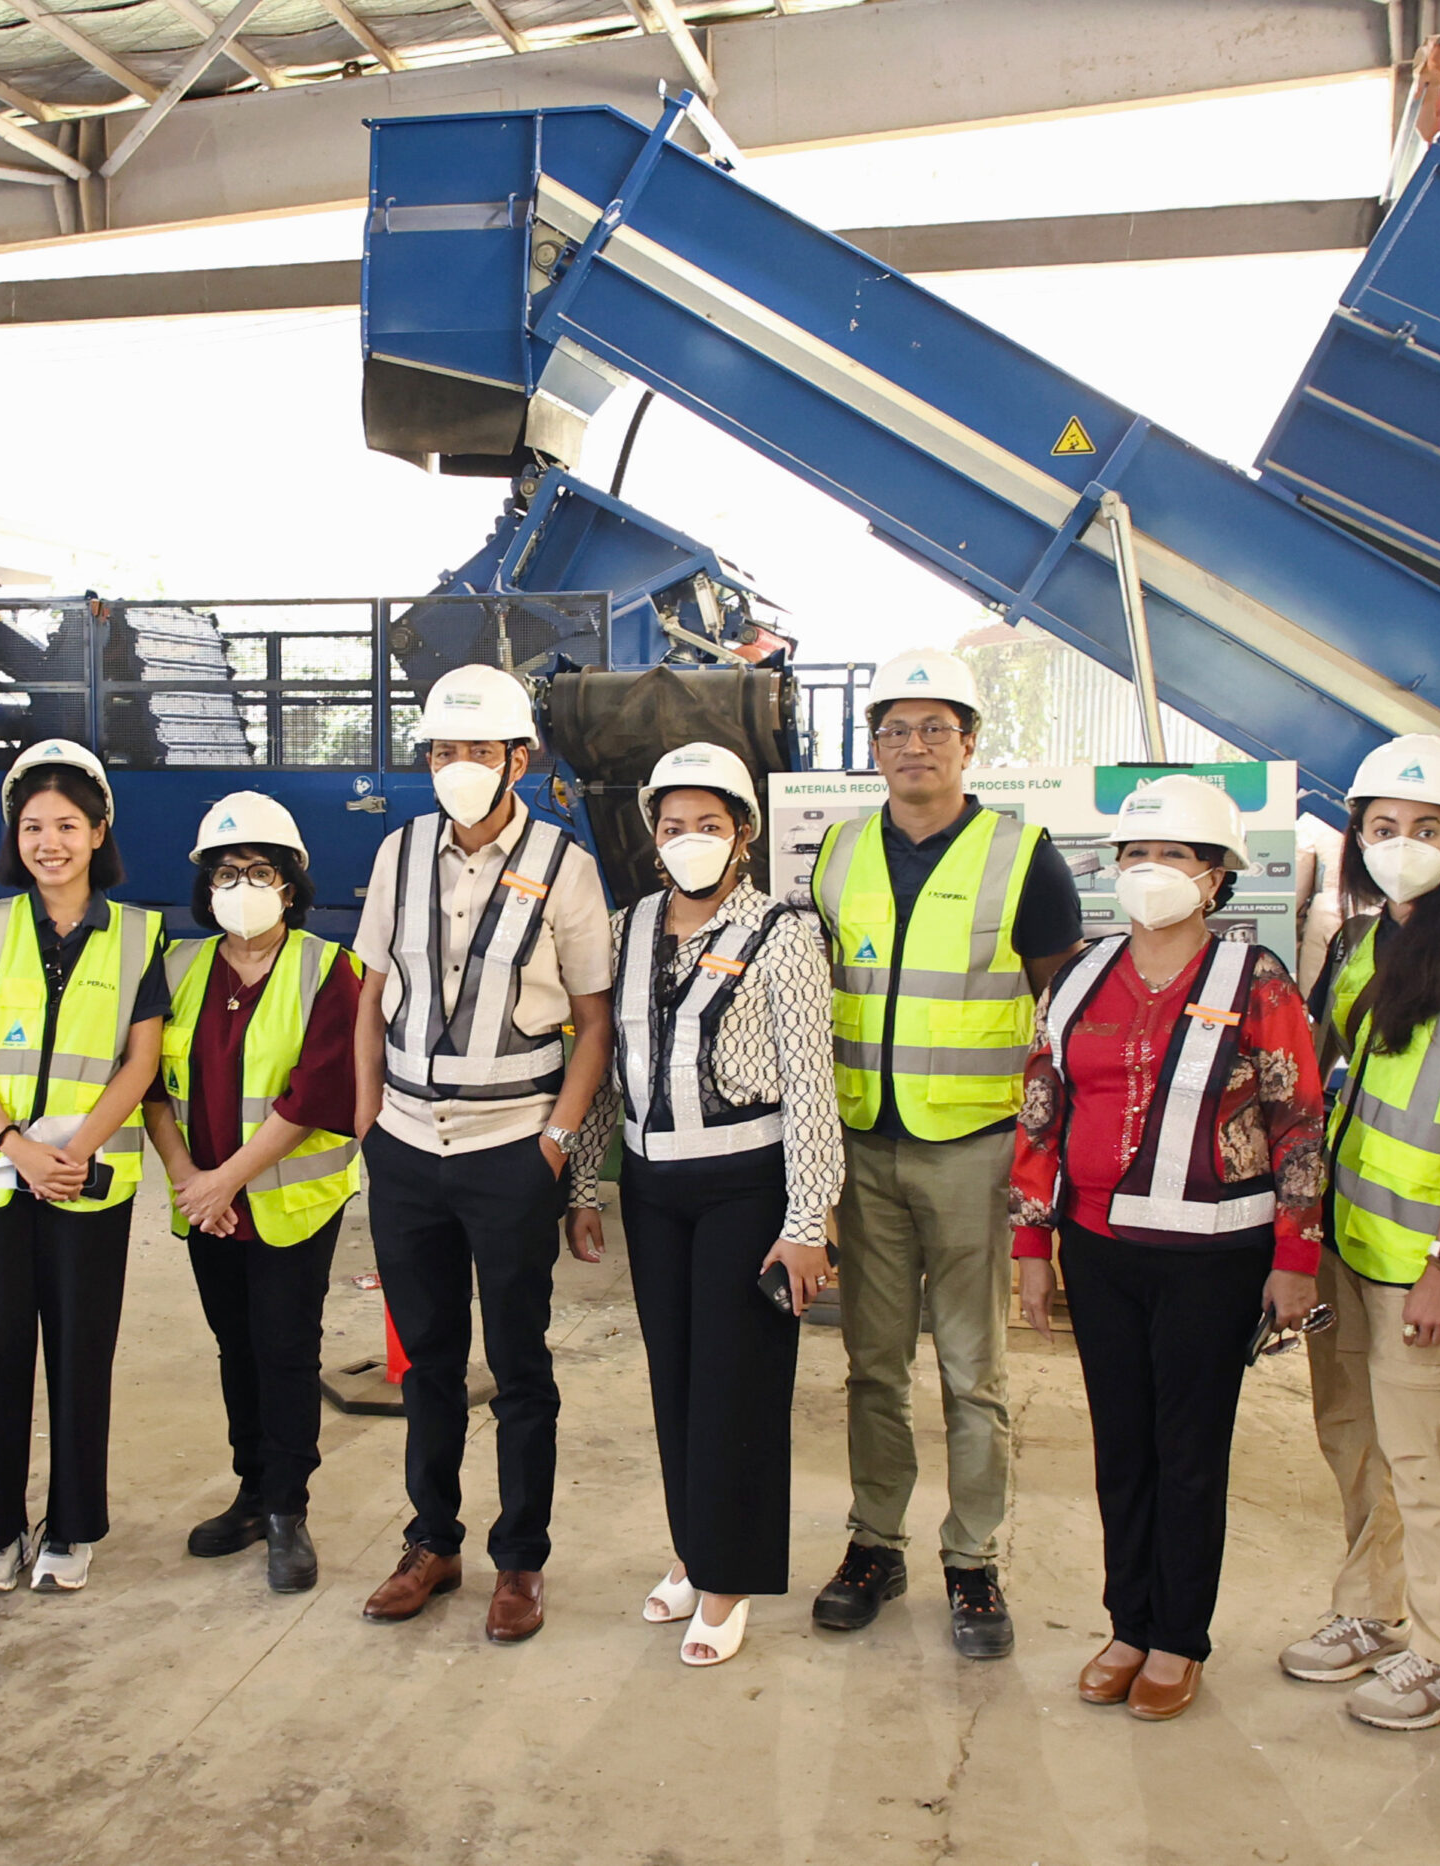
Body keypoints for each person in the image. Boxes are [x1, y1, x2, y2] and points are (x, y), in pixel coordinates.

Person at [1010, 774, 1325, 1721]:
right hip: (1101, 1251)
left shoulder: (1255, 981)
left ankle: (1179, 1636)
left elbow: (1297, 1123)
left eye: (1177, 857)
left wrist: (1294, 1257)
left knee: (1189, 1450)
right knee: (1122, 1446)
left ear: (1218, 876)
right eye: (1138, 855)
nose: (1153, 872)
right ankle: (1128, 1623)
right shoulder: (1077, 978)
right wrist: (1033, 1239)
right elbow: (1042, 1110)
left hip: (1213, 1256)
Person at [807, 646, 1086, 1660]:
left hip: (972, 1148)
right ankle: (873, 1545)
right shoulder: (837, 855)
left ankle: (973, 1561)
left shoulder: (1022, 855)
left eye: (934, 729)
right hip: (861, 1144)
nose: (912, 746)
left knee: (973, 1373)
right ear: (872, 749)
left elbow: (1065, 1009)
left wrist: (1043, 1160)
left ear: (969, 744)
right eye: (893, 730)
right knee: (872, 1367)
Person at [351, 663, 614, 1644]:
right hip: (408, 1154)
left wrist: (555, 1142)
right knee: (426, 1364)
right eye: (442, 751)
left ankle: (520, 1560)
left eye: (478, 751)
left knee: (517, 1366)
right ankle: (432, 1542)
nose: (457, 767)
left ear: (520, 758)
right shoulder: (399, 854)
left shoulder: (565, 865)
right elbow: (370, 996)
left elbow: (593, 1025)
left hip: (511, 1153)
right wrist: (372, 1124)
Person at [566, 744, 841, 1667]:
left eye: (710, 827)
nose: (691, 842)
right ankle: (694, 1549)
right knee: (676, 1379)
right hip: (652, 1186)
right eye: (674, 827)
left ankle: (730, 1581)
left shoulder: (782, 936)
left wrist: (806, 1224)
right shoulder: (626, 928)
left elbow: (811, 1088)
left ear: (745, 835)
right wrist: (583, 1186)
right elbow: (606, 1064)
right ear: (652, 837)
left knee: (737, 1386)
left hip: (744, 1188)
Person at [1284, 735, 1440, 1729]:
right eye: (1382, 827)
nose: (1400, 845)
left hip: (1427, 1264)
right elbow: (1310, 1079)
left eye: (1424, 829)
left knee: (1428, 1459)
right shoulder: (1353, 947)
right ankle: (1368, 1613)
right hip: (1346, 1246)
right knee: (1353, 1441)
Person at [0, 740, 164, 1595]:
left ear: (98, 831)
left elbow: (140, 1065)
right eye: (32, 826)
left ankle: (72, 1529)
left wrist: (71, 1152)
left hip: (88, 1181)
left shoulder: (137, 932)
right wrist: (15, 1146)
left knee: (80, 1353)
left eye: (67, 824)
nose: (50, 842)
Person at [147, 792, 363, 1596]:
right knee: (234, 1348)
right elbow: (153, 1089)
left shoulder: (328, 969)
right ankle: (250, 1491)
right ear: (205, 887)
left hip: (287, 1205)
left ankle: (287, 1510)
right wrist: (187, 1180)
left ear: (293, 884)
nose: (242, 885)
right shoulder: (178, 968)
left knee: (283, 1349)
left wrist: (222, 1181)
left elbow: (314, 1095)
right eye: (227, 872)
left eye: (260, 872)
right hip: (205, 1206)